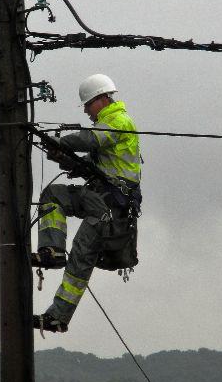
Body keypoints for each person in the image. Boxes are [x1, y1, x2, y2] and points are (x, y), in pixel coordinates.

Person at [32, 74, 142, 334]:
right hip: (98, 196)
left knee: (81, 257)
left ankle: (57, 317)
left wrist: (60, 142)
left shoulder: (118, 120)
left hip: (109, 207)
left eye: (87, 104)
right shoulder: (106, 125)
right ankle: (52, 251)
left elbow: (90, 140)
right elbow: (91, 167)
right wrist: (63, 156)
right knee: (53, 194)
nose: (85, 110)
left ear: (102, 99)